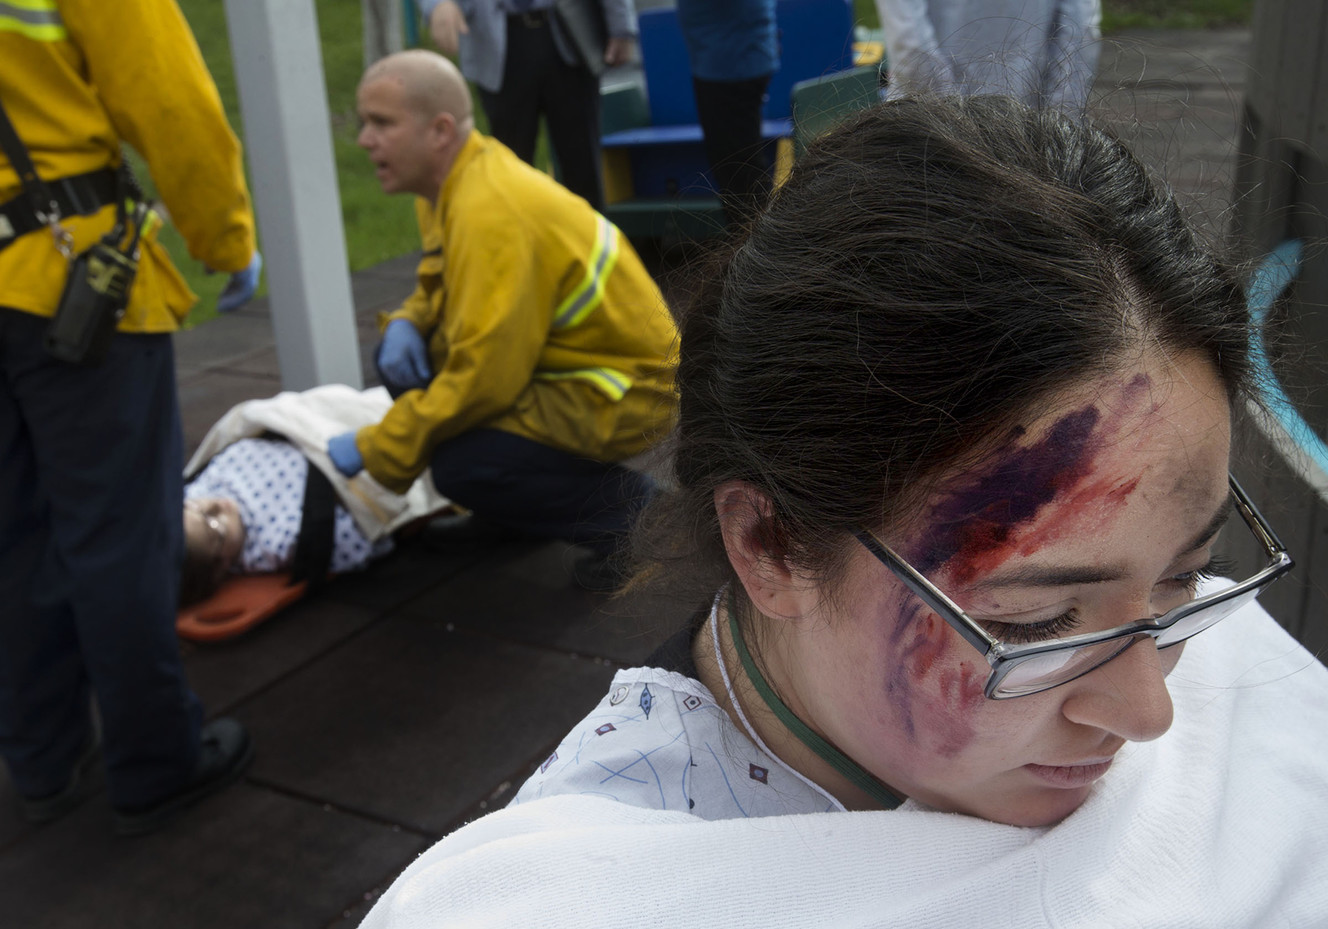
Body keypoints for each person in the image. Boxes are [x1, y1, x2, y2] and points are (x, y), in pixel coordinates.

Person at [357, 97, 1328, 925]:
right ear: (768, 543)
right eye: (1034, 621)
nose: (1151, 710)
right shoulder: (571, 892)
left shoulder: (1225, 690)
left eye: (1185, 574)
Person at [0, 0, 261, 835]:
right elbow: (171, 100)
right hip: (70, 281)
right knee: (118, 535)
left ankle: (41, 758)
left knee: (12, 534)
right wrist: (226, 238)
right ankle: (155, 759)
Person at [330, 50, 678, 590]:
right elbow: (441, 276)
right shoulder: (451, 182)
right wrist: (408, 320)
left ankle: (641, 524)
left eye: (382, 123)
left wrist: (381, 446)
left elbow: (483, 381)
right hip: (573, 368)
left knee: (464, 462)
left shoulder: (490, 213)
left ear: (440, 130)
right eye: (364, 122)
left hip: (622, 390)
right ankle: (514, 514)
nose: (364, 140)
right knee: (407, 368)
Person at [180, 384, 450, 605]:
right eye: (214, 526)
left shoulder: (198, 493)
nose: (216, 505)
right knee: (423, 432)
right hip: (341, 456)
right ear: (221, 567)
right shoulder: (280, 542)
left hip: (305, 422)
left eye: (194, 506)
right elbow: (367, 538)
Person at [417, 0, 638, 210]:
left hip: (567, 38)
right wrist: (439, 4)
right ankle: (518, 242)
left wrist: (622, 27)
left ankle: (584, 243)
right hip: (499, 46)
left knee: (582, 164)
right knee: (510, 166)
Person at [874, 0, 1101, 110]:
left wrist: (947, 118)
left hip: (931, 123)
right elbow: (1079, 32)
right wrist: (1059, 123)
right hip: (1026, 118)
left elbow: (910, 42)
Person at [676, 0, 778, 226]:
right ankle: (752, 243)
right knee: (736, 168)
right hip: (727, 59)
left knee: (739, 171)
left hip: (731, 64)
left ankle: (755, 248)